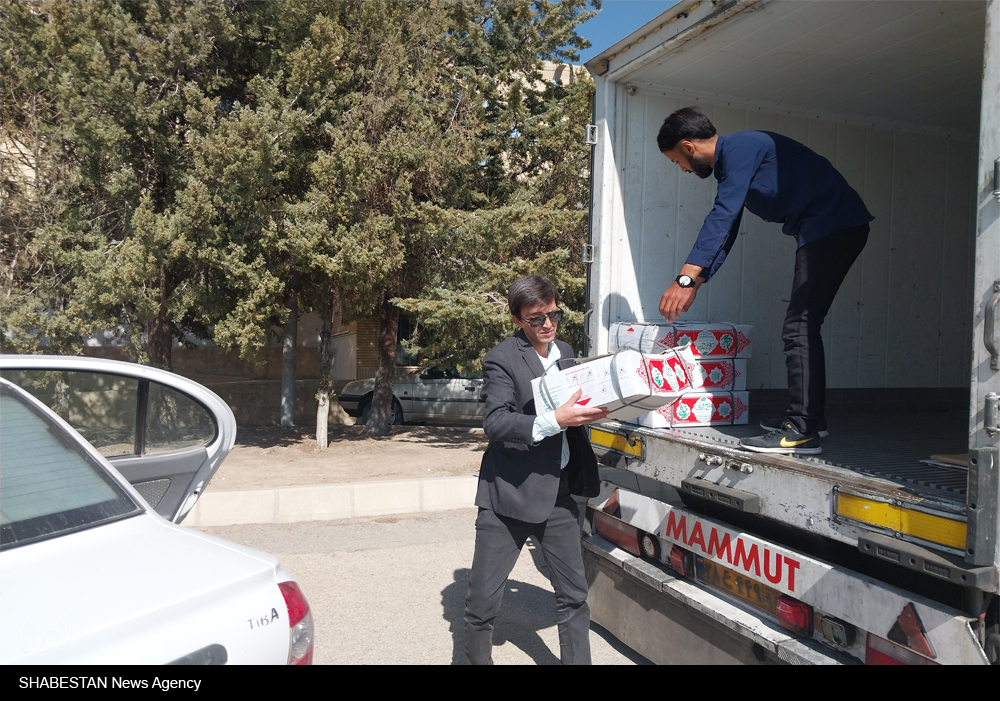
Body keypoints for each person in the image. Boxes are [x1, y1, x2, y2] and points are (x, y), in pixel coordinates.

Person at [657, 107, 873, 455]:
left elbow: (723, 215)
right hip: (828, 228)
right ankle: (811, 419)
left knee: (800, 325)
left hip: (834, 226)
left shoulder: (743, 146)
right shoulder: (733, 165)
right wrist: (698, 281)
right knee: (802, 323)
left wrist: (684, 278)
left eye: (676, 161)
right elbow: (728, 227)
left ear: (688, 147)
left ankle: (801, 430)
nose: (681, 169)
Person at [463, 275, 608, 665]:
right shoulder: (502, 358)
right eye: (536, 319)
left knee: (574, 598)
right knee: (482, 604)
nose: (547, 324)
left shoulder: (565, 350)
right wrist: (554, 420)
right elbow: (495, 422)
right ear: (517, 321)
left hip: (559, 496)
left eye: (553, 314)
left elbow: (577, 405)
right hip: (508, 497)